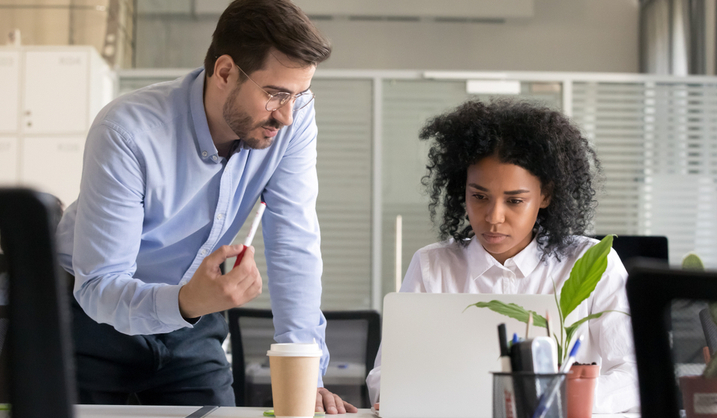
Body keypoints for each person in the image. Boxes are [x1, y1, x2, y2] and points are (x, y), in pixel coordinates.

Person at [55, 0, 356, 413]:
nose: (286, 116)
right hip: (93, 318)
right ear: (225, 71)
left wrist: (308, 372)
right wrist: (186, 302)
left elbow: (294, 242)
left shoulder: (293, 119)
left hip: (193, 320)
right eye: (275, 94)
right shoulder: (127, 131)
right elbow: (99, 285)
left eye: (299, 96)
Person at [366, 99, 638, 413]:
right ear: (462, 190)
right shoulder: (433, 266)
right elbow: (386, 376)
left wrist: (555, 402)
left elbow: (635, 372)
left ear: (545, 195)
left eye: (514, 201)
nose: (493, 217)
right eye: (479, 196)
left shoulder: (590, 263)